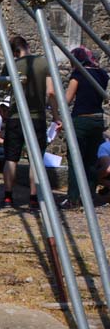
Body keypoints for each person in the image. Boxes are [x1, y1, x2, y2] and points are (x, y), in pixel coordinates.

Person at [0, 35, 60, 210]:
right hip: (36, 118)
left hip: (15, 117)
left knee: (11, 158)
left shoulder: (10, 65)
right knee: (36, 160)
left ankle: (8, 198)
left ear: (14, 52)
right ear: (27, 45)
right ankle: (34, 198)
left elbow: (2, 86)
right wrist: (56, 116)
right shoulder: (44, 62)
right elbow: (51, 93)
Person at [62, 46, 109, 208]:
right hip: (97, 120)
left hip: (81, 120)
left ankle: (74, 198)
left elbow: (67, 99)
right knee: (91, 160)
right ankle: (88, 197)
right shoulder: (102, 74)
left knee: (76, 159)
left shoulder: (78, 74)